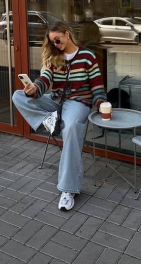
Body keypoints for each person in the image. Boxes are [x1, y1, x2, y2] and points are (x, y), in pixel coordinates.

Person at [12, 21, 107, 211]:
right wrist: (34, 89)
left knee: (70, 128)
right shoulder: (54, 56)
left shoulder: (87, 56)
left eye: (57, 40)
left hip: (78, 103)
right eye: (52, 42)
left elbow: (97, 86)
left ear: (67, 34)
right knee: (19, 96)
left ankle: (68, 190)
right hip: (56, 101)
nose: (55, 44)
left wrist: (101, 104)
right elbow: (45, 79)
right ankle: (47, 120)